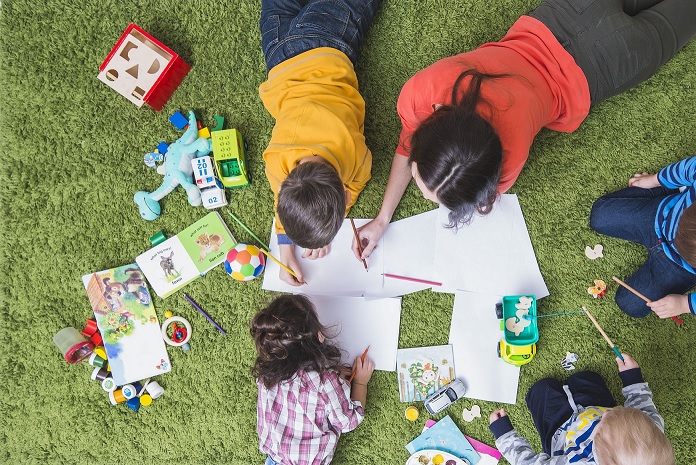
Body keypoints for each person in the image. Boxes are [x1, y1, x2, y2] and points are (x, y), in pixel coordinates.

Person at [352, 0, 696, 261]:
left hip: (608, 64)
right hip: (565, 13)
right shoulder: (423, 91)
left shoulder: (508, 158)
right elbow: (408, 145)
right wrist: (382, 219)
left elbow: (416, 152)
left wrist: (384, 219)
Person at [259, 0, 381, 286]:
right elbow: (281, 200)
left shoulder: (356, 156)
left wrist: (337, 213)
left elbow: (355, 184)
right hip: (279, 56)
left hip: (327, 43)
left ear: (346, 198)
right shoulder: (276, 163)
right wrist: (285, 245)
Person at [250, 294, 375, 465]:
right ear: (318, 337)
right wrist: (360, 382)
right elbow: (348, 421)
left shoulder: (266, 373)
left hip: (274, 459)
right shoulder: (324, 381)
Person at [488, 353, 674, 464]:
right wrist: (632, 378)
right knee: (586, 377)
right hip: (594, 404)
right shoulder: (651, 430)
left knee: (541, 389)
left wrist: (504, 435)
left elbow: (526, 463)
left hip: (560, 432)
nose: (609, 412)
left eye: (604, 421)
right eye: (619, 410)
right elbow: (642, 403)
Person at [590, 157, 696, 319]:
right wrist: (654, 181)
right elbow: (688, 168)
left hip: (679, 268)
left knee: (630, 303)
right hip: (661, 216)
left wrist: (685, 304)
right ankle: (671, 189)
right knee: (600, 216)